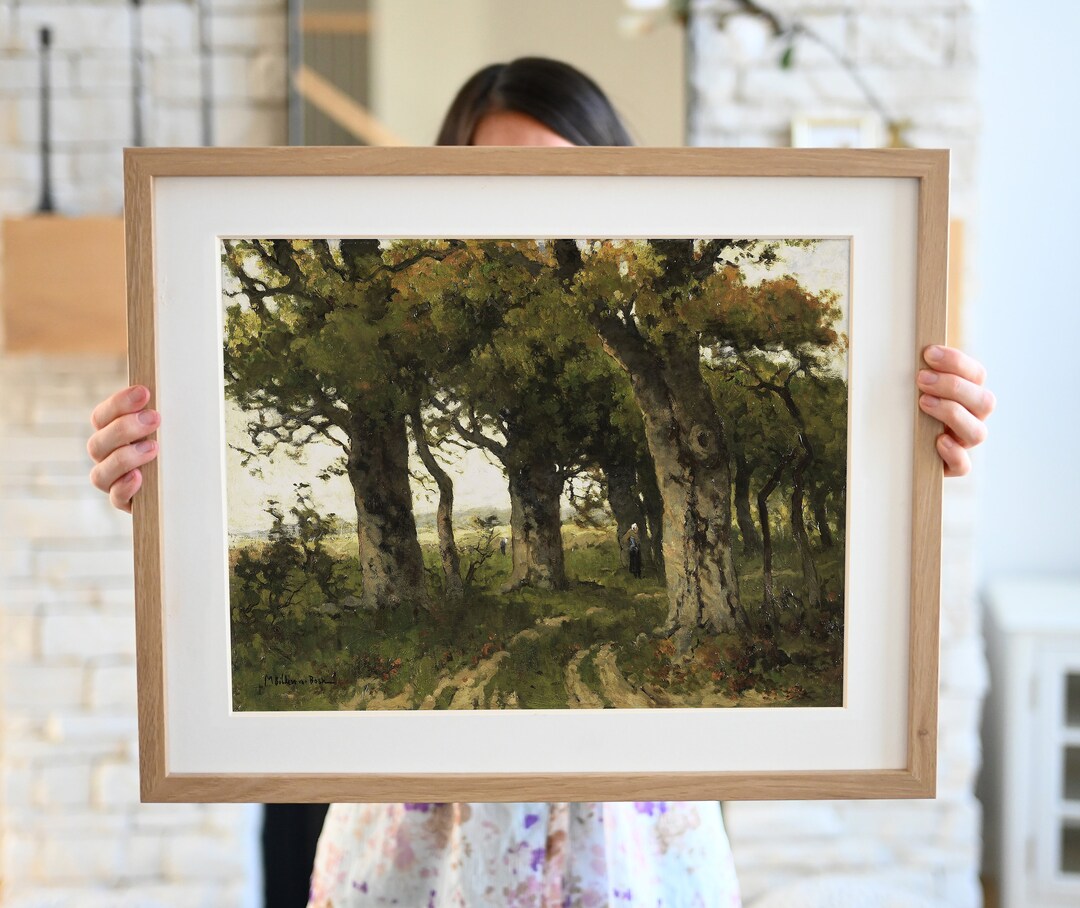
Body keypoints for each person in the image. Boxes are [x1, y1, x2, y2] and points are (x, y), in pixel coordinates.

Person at [87, 57, 995, 907]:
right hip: (410, 852)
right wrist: (171, 495)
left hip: (639, 848)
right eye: (490, 187)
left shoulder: (643, 344)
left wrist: (903, 445)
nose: (527, 220)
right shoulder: (432, 333)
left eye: (558, 185)